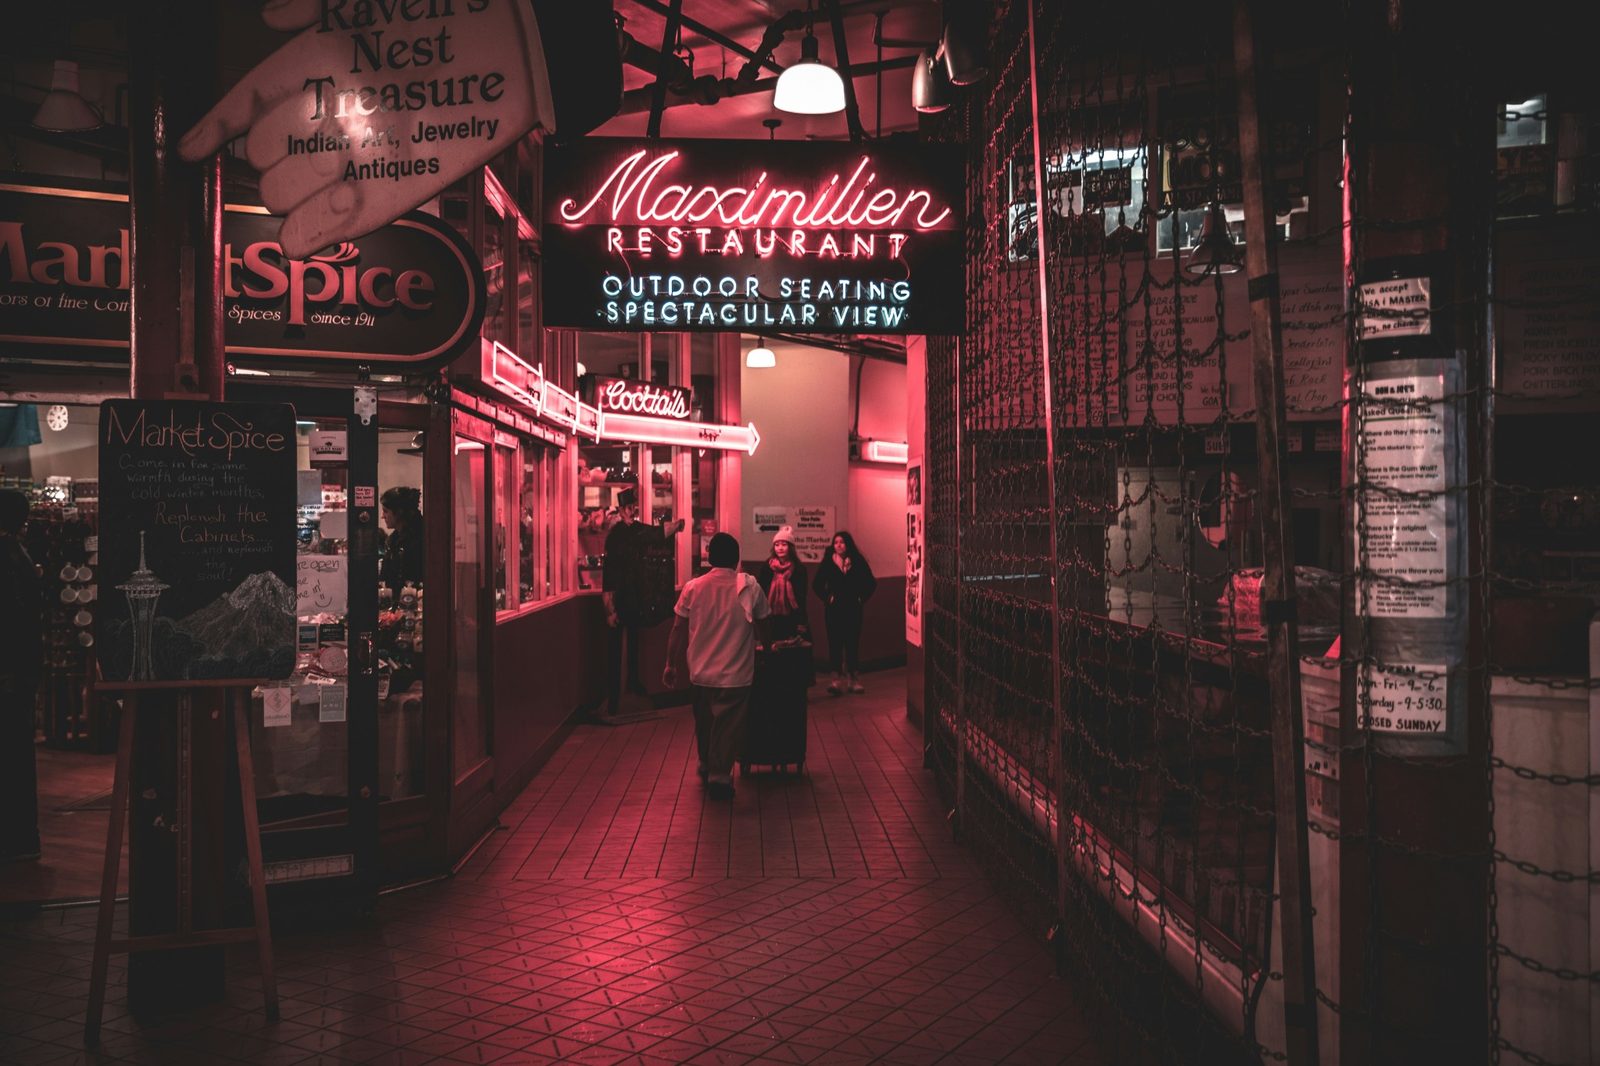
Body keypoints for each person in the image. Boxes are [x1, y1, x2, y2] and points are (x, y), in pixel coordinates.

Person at [662, 532, 770, 800]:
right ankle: (719, 777)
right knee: (727, 725)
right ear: (736, 558)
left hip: (700, 671)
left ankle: (706, 762)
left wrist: (670, 664)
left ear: (710, 558)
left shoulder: (693, 587)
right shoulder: (750, 587)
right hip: (736, 672)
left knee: (705, 721)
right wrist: (766, 648)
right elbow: (765, 622)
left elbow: (677, 628)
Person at [602, 487, 685, 720]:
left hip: (630, 595)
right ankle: (618, 695)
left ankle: (626, 690)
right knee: (619, 645)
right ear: (621, 509)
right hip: (624, 596)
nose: (632, 511)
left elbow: (656, 533)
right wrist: (609, 607)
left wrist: (675, 525)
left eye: (633, 507)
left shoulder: (624, 533)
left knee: (628, 642)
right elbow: (656, 534)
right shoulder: (618, 535)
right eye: (629, 507)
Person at [0, 490, 43, 862]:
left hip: (10, 672)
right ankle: (21, 839)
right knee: (16, 755)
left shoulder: (7, 557)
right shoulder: (18, 555)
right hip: (20, 670)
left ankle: (14, 840)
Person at [813, 530, 877, 696]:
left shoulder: (857, 561)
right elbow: (816, 584)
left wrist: (860, 598)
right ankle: (835, 680)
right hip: (834, 610)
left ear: (848, 544)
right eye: (836, 542)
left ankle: (853, 680)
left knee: (852, 644)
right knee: (834, 644)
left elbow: (871, 582)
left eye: (842, 542)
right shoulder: (828, 562)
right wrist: (828, 598)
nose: (838, 545)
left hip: (853, 609)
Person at [755, 525, 810, 643]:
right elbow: (761, 591)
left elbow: (801, 597)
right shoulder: (767, 567)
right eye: (777, 544)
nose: (780, 548)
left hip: (792, 616)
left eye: (784, 544)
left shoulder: (799, 569)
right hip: (771, 615)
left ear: (790, 547)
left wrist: (801, 620)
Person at [379, 486, 425, 596]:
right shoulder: (393, 540)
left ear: (399, 512)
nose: (382, 516)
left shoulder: (418, 540)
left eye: (386, 511)